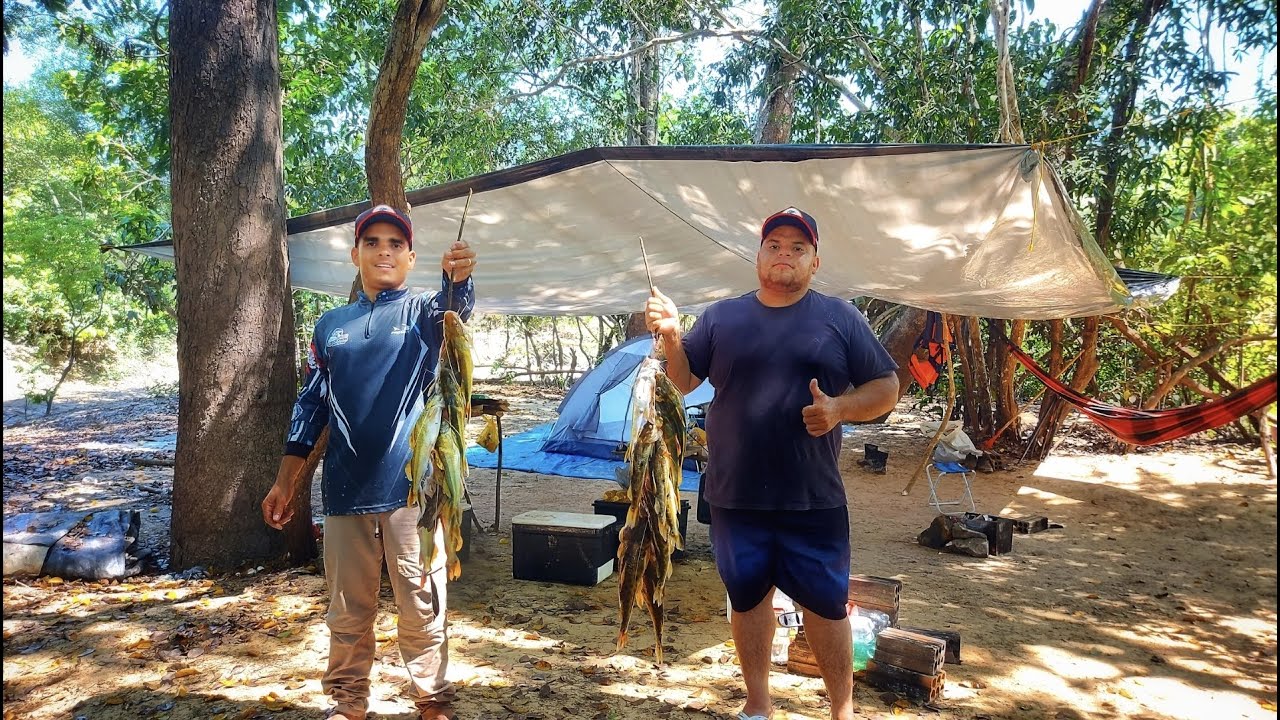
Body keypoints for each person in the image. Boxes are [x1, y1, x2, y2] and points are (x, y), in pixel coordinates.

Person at [644, 207, 899, 720]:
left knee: (826, 607)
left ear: (814, 261)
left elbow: (886, 388)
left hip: (813, 495)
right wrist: (672, 337)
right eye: (775, 245)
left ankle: (841, 713)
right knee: (747, 599)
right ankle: (757, 705)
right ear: (758, 255)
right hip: (735, 493)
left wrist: (840, 409)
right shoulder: (721, 317)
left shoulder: (839, 317)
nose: (784, 254)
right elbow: (683, 381)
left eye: (797, 248)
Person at [260, 203, 476, 720]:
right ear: (355, 254)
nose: (384, 250)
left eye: (395, 243)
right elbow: (311, 404)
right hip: (344, 491)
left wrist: (460, 281)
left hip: (412, 492)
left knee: (422, 603)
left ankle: (432, 699)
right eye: (373, 242)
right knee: (348, 611)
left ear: (410, 255)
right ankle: (347, 701)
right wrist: (285, 481)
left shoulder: (425, 313)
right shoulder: (331, 325)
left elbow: (456, 314)